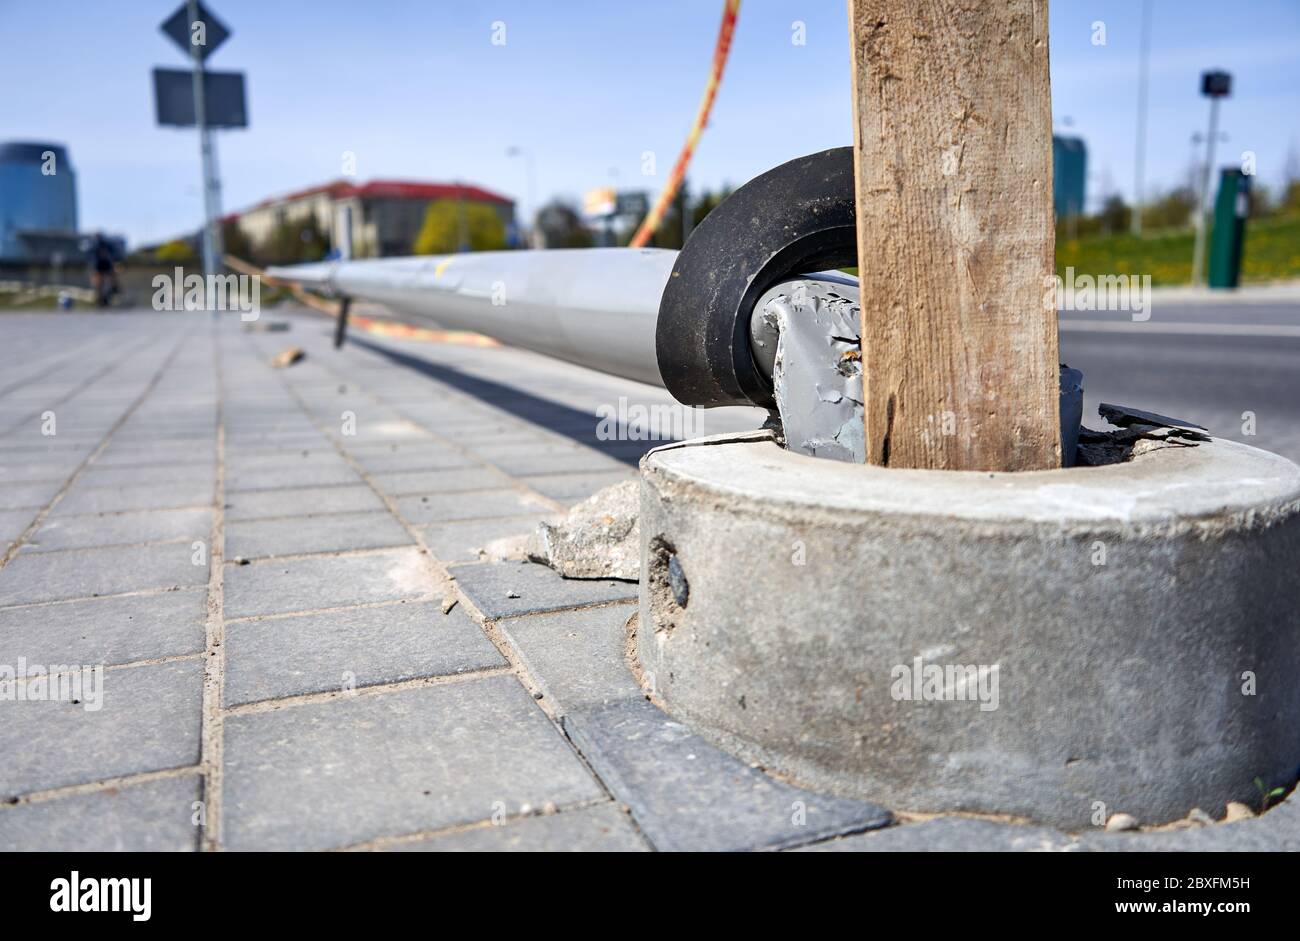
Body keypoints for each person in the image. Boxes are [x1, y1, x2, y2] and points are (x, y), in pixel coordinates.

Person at [87, 232, 119, 308]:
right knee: (100, 281)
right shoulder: (100, 245)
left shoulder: (99, 245)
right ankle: (113, 289)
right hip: (101, 265)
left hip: (104, 265)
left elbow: (90, 255)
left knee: (104, 279)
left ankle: (113, 288)